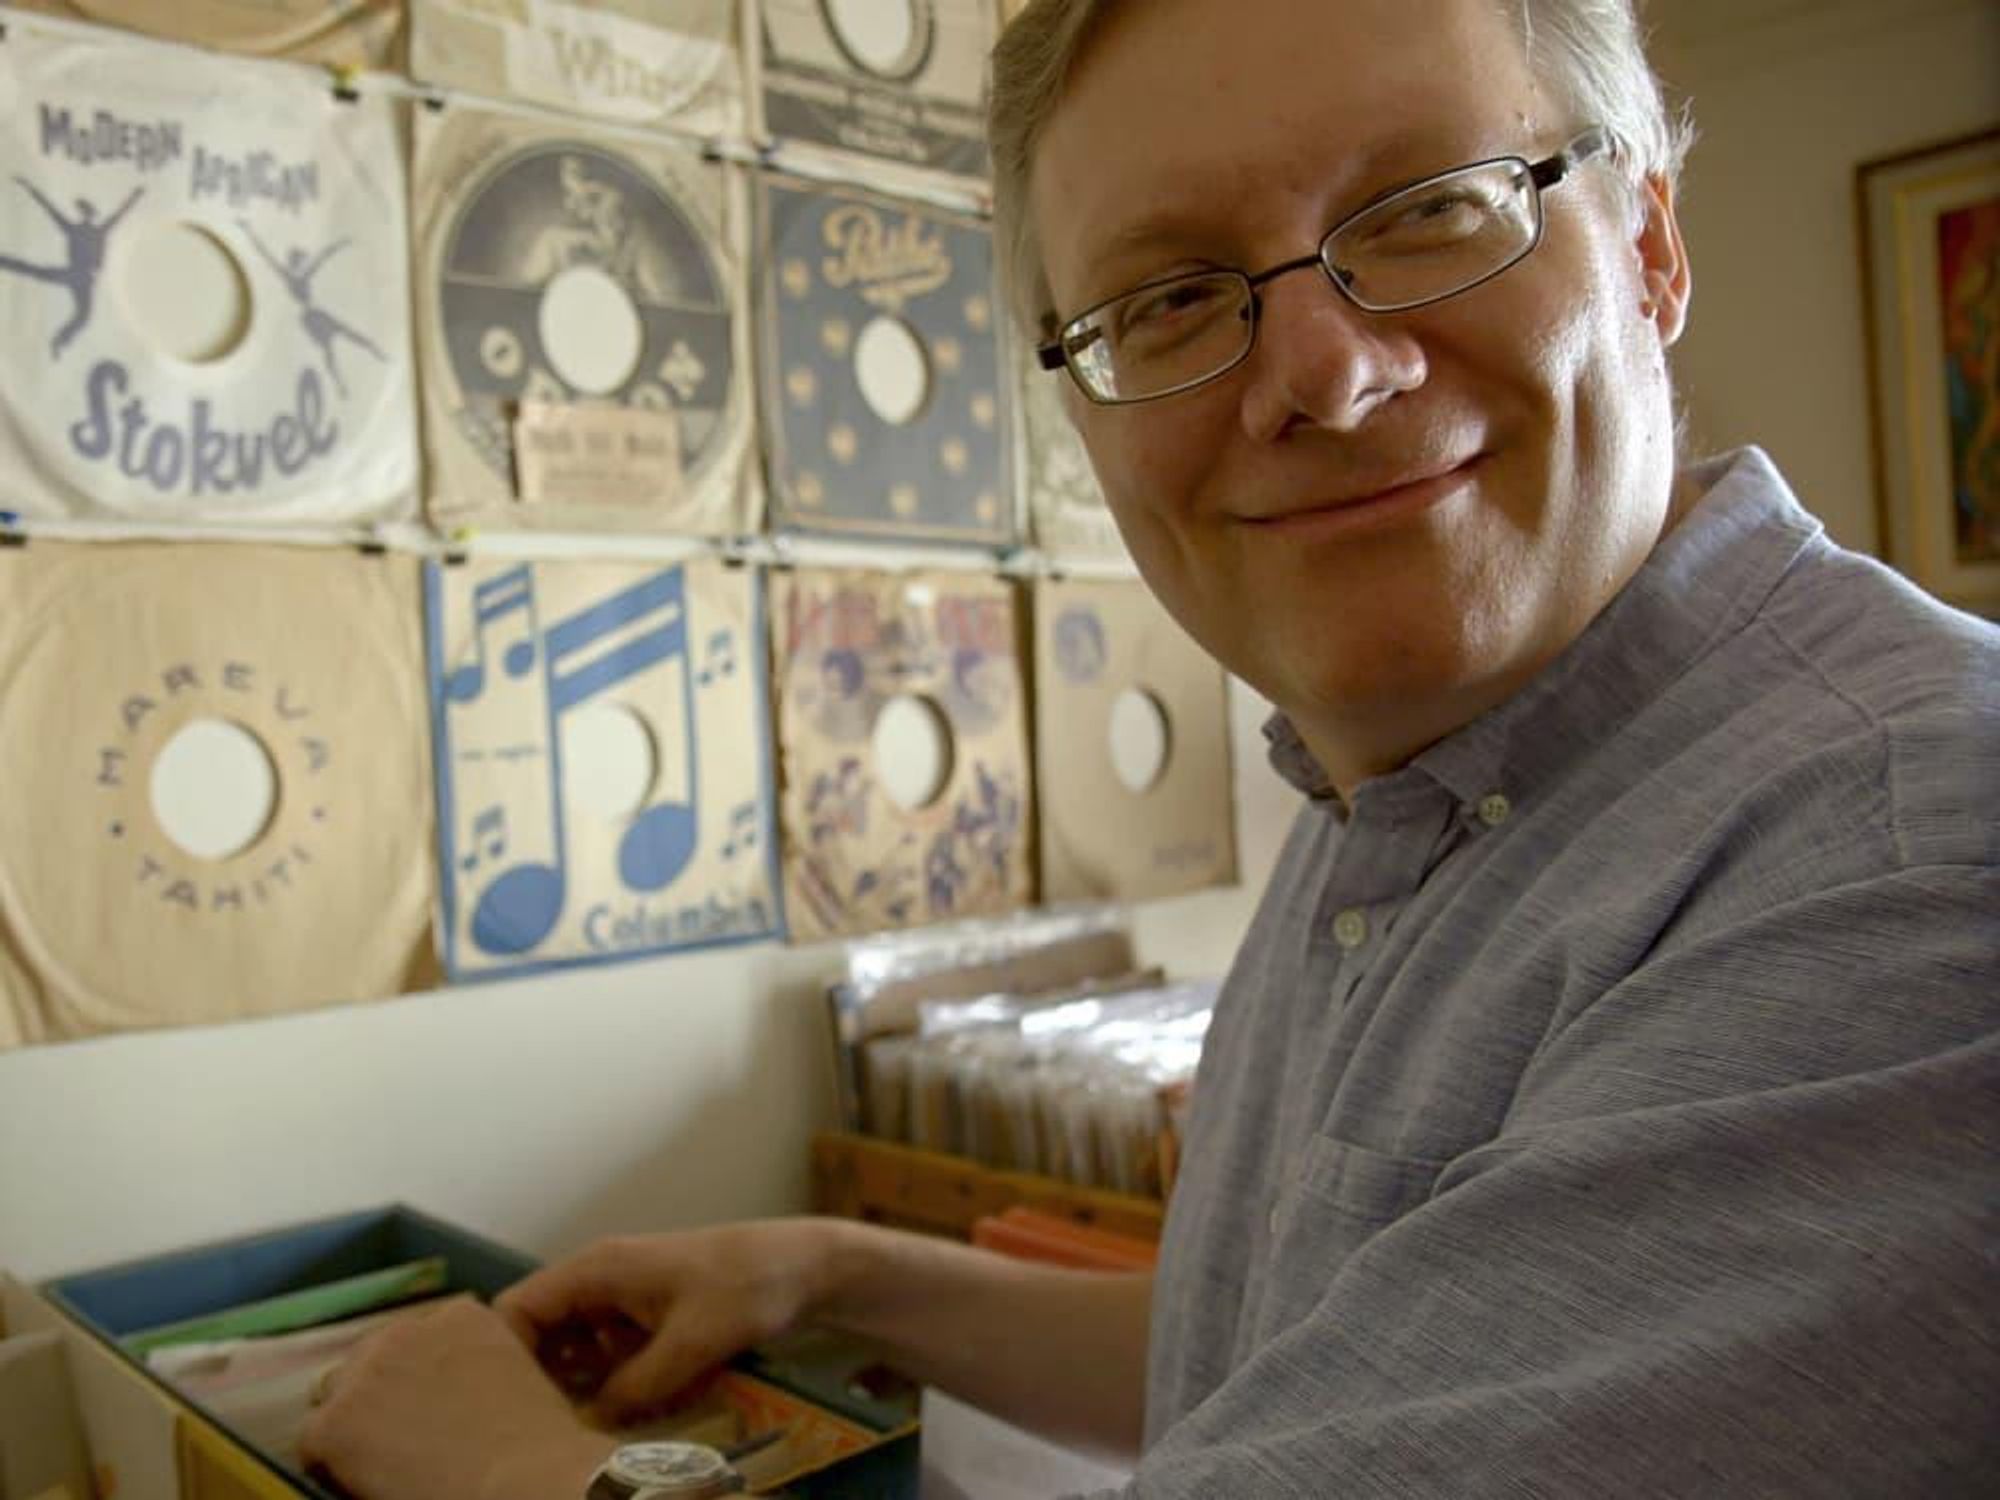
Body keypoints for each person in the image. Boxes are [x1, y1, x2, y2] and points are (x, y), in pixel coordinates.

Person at [301, 0, 2000, 1494]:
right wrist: (826, 1274)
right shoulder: (1392, 791)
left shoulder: (1915, 863)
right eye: (1172, 299)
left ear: (1649, 250)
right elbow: (1318, 1364)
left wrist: (516, 1473)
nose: (1325, 375)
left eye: (1425, 213)